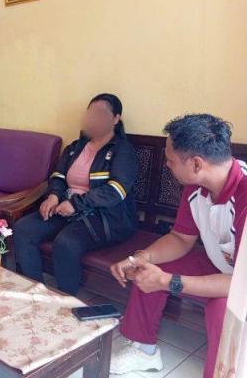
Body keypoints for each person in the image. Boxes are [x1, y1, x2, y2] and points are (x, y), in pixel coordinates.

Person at [109, 114, 246, 378]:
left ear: (196, 164)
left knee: (222, 311)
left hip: (242, 284)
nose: (167, 165)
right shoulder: (197, 185)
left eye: (171, 160)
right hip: (225, 267)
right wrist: (142, 257)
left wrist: (167, 281)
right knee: (150, 268)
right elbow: (181, 238)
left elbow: (242, 284)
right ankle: (144, 350)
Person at [13, 93, 138, 295]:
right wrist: (54, 196)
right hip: (67, 208)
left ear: (116, 119)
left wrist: (76, 204)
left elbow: (115, 191)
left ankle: (66, 300)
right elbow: (58, 175)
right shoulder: (76, 147)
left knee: (66, 243)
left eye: (100, 114)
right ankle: (35, 292)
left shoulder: (122, 150)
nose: (93, 118)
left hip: (105, 216)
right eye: (90, 113)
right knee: (23, 229)